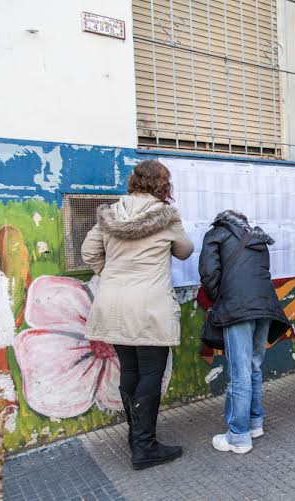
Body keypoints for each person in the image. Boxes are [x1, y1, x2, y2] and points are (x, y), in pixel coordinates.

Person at [82, 160, 193, 470]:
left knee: (129, 369)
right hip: (149, 307)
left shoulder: (110, 214)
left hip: (113, 304)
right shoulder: (166, 217)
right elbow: (185, 250)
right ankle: (145, 447)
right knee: (151, 373)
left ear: (134, 181)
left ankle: (136, 437)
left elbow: (89, 252)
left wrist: (110, 275)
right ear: (163, 184)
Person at [199, 210, 290, 454]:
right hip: (265, 307)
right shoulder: (257, 238)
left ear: (222, 220)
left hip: (238, 308)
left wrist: (221, 298)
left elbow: (208, 273)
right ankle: (254, 422)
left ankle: (238, 436)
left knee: (240, 372)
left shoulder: (216, 234)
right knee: (254, 367)